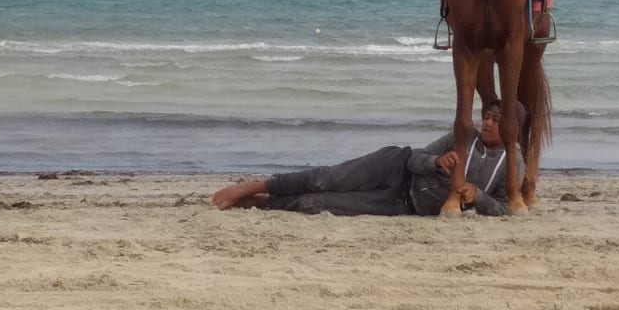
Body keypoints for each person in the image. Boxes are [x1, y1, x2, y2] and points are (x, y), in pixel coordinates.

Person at [211, 99, 525, 216]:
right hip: (395, 167)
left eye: (496, 120)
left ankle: (263, 202)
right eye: (486, 116)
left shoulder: (515, 164)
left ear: (512, 126)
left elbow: (503, 207)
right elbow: (416, 157)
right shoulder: (463, 136)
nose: (486, 123)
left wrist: (479, 196)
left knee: (318, 204)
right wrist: (434, 163)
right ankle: (255, 186)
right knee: (326, 178)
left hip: (403, 205)